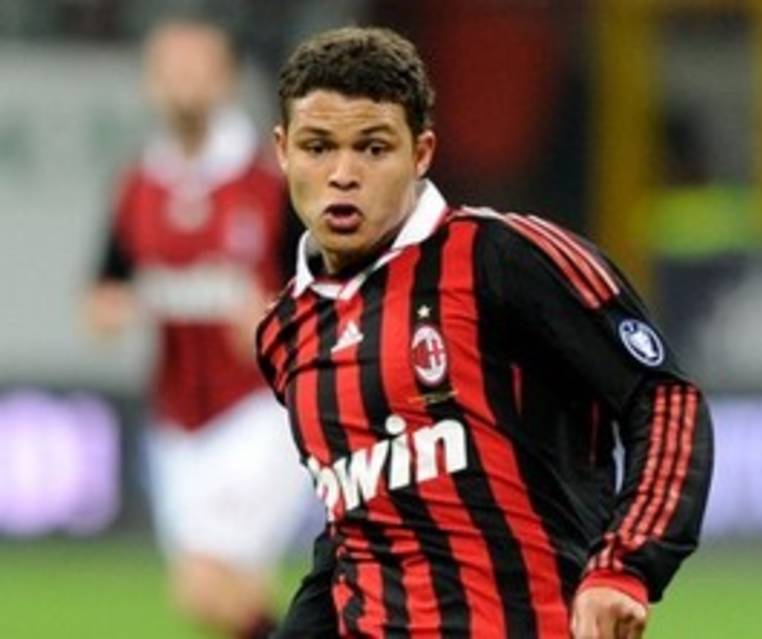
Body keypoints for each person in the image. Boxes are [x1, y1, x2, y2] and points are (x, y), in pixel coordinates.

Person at [256, 26, 714, 639]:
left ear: (421, 153)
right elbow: (355, 527)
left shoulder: (503, 258)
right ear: (283, 151)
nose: (343, 173)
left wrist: (626, 564)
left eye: (373, 148)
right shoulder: (285, 330)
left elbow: (664, 398)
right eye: (318, 147)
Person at [86, 18, 315, 639]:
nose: (183, 84)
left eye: (197, 69)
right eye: (171, 71)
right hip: (176, 423)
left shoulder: (270, 184)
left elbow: (320, 290)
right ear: (150, 83)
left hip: (256, 410)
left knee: (204, 583)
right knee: (229, 596)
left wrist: (274, 317)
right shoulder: (140, 186)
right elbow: (104, 290)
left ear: (225, 81)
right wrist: (113, 309)